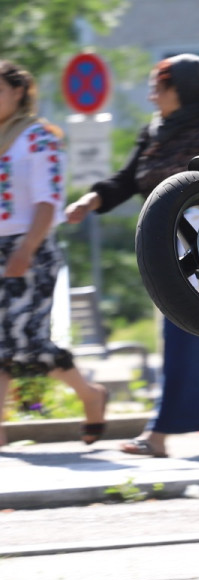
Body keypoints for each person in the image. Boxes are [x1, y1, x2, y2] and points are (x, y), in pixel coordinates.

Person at [65, 54, 199, 457]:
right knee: (195, 335)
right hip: (165, 252)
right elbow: (127, 180)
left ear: (183, 89)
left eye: (159, 86)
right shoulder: (155, 132)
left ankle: (158, 435)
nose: (151, 94)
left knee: (182, 333)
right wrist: (92, 199)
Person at [0, 60, 109, 448]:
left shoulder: (39, 137)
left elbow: (48, 201)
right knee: (4, 343)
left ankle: (90, 395)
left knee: (28, 344)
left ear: (18, 92)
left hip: (30, 248)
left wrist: (26, 249)